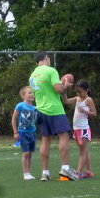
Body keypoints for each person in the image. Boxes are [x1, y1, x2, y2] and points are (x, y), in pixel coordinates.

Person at [29, 51, 80, 181]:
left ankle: (45, 172)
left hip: (40, 110)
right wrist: (65, 86)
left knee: (45, 140)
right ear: (46, 58)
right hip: (54, 109)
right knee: (64, 136)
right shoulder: (51, 71)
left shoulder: (32, 76)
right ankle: (65, 168)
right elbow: (58, 89)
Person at [62, 80, 97, 178]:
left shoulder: (88, 100)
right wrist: (64, 92)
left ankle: (78, 173)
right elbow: (66, 101)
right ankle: (89, 172)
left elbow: (94, 114)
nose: (78, 94)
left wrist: (85, 111)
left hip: (83, 129)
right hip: (76, 129)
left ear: (86, 90)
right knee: (84, 151)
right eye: (77, 92)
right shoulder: (77, 98)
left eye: (80, 91)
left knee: (82, 152)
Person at [11, 86, 38, 180]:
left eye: (32, 93)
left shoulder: (35, 108)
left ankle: (29, 172)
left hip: (32, 133)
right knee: (25, 153)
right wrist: (15, 132)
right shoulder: (20, 106)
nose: (32, 94)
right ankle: (25, 173)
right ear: (23, 95)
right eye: (29, 93)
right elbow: (14, 119)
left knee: (30, 154)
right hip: (23, 132)